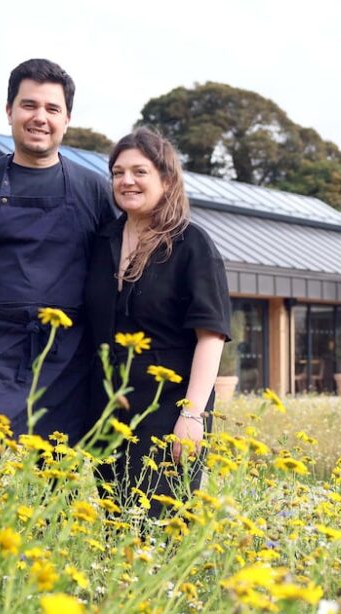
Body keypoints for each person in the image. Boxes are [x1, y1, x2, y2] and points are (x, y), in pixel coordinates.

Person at [0, 59, 115, 443]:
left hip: (68, 360)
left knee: (54, 471)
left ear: (67, 119)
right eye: (29, 105)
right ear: (9, 111)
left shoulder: (94, 190)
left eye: (52, 109)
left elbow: (116, 273)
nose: (40, 118)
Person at [84, 127, 231, 512]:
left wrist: (192, 415)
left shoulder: (191, 244)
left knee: (160, 526)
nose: (126, 181)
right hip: (108, 412)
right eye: (118, 173)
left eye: (139, 172)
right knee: (116, 525)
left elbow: (211, 336)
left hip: (169, 410)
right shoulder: (101, 242)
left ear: (166, 180)